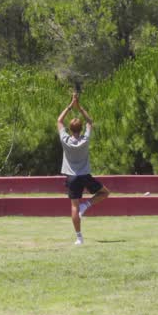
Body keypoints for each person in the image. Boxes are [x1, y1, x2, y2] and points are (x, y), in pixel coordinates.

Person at [58, 92, 109, 245]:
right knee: (105, 193)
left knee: (74, 207)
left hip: (72, 177)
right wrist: (79, 107)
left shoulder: (65, 139)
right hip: (85, 175)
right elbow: (90, 121)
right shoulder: (85, 139)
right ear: (80, 129)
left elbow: (59, 120)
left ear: (70, 129)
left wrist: (69, 105)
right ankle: (86, 205)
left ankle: (79, 238)